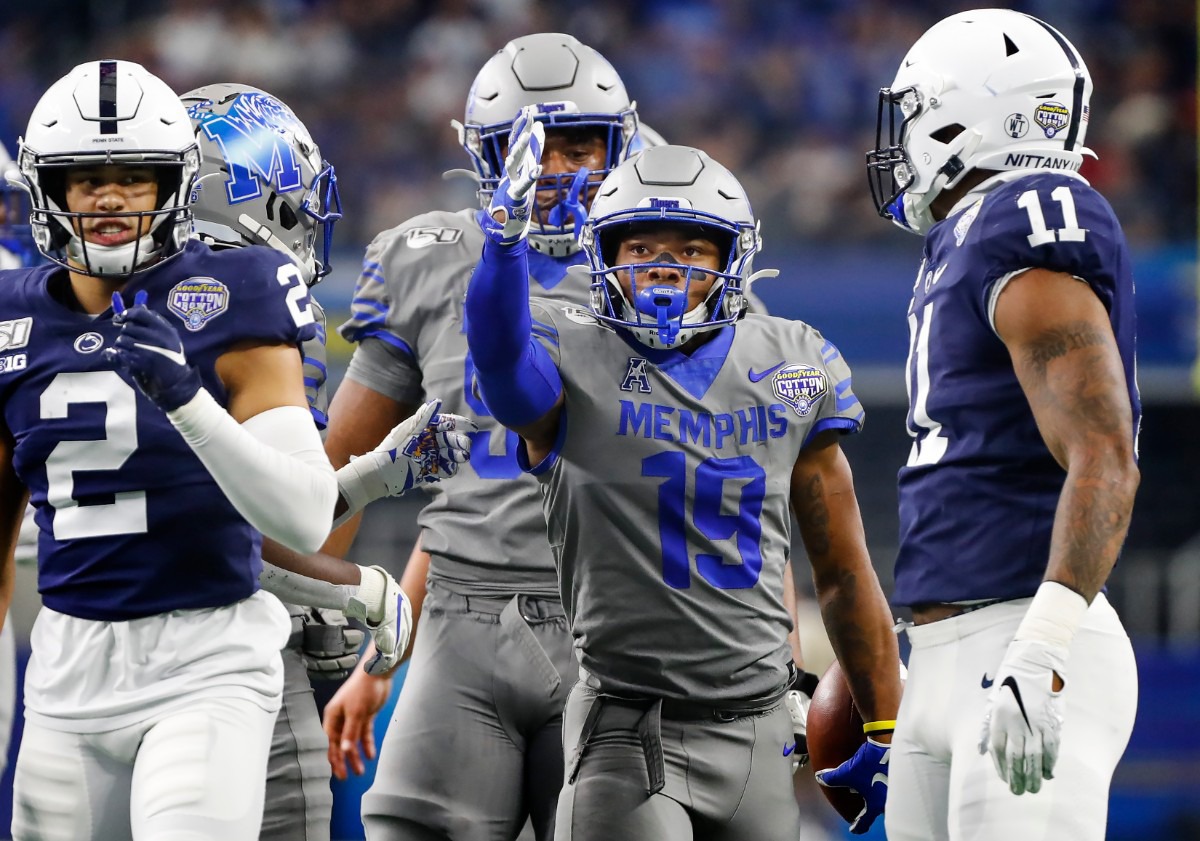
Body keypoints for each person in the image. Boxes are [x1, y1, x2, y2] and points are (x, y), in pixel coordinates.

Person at [0, 60, 463, 841]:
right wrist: (354, 576)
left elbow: (268, 513)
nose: (110, 197)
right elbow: (219, 523)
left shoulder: (239, 294)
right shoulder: (24, 315)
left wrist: (373, 484)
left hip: (212, 659)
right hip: (71, 661)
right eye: (87, 179)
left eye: (133, 177)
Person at [464, 134, 904, 839]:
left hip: (762, 725)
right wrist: (504, 243)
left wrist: (884, 722)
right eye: (640, 250)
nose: (663, 271)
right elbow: (502, 367)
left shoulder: (789, 362)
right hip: (630, 727)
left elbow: (844, 572)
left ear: (732, 260)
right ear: (603, 257)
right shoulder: (566, 355)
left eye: (691, 251)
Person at [318, 32, 676, 841]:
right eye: (527, 146)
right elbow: (353, 477)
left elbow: (751, 476)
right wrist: (370, 648)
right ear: (480, 154)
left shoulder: (672, 262)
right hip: (463, 618)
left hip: (620, 621)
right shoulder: (427, 258)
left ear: (621, 145)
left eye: (578, 144)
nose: (551, 169)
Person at [864, 9, 1139, 840]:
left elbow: (1104, 454)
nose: (902, 140)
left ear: (967, 115)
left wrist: (1043, 644)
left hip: (1026, 639)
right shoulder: (965, 239)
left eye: (915, 114)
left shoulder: (1029, 215)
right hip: (945, 651)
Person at [181, 81, 403, 841]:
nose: (311, 219)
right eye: (297, 199)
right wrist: (356, 583)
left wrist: (375, 474)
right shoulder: (248, 312)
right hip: (222, 649)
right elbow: (261, 527)